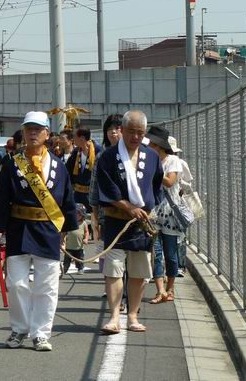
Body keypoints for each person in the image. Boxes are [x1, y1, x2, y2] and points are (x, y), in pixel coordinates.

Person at [0, 111, 78, 351]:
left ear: (47, 133)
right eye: (29, 129)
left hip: (48, 230)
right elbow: (0, 198)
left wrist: (67, 230)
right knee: (17, 283)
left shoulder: (58, 166)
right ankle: (19, 328)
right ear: (23, 132)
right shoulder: (12, 163)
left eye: (38, 129)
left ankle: (41, 334)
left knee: (47, 286)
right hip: (18, 228)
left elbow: (67, 200)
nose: (33, 133)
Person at [96, 110, 163, 335]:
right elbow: (106, 188)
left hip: (141, 224)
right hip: (116, 221)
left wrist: (148, 210)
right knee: (114, 270)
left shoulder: (151, 156)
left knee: (139, 272)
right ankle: (114, 317)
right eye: (131, 131)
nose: (135, 137)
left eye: (140, 133)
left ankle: (133, 315)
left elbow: (157, 186)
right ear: (122, 130)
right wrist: (128, 207)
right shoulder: (108, 156)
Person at [146, 126, 183, 305]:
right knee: (156, 252)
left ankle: (170, 288)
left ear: (158, 146)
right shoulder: (148, 160)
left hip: (169, 212)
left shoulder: (172, 160)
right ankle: (160, 290)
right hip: (153, 211)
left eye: (151, 144)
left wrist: (153, 170)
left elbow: (169, 182)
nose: (148, 146)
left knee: (170, 253)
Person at [89, 114, 124, 301]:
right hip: (106, 214)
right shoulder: (101, 156)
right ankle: (111, 289)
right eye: (109, 129)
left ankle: (126, 294)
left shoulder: (135, 154)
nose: (113, 132)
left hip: (131, 214)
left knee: (129, 256)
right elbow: (94, 186)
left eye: (117, 128)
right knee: (107, 252)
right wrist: (95, 215)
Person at [169, 135, 193, 277]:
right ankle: (173, 267)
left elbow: (188, 183)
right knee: (174, 236)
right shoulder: (159, 161)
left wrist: (179, 185)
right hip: (166, 205)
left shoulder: (180, 163)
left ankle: (180, 265)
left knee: (180, 236)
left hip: (177, 204)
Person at [67, 125, 101, 212]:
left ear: (82, 138)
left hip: (92, 195)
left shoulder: (98, 151)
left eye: (74, 136)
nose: (73, 139)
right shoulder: (76, 151)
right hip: (78, 195)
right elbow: (68, 170)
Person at [61, 204, 89, 276]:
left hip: (79, 247)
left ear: (83, 215)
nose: (77, 215)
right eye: (75, 213)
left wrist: (86, 239)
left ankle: (80, 268)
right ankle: (65, 268)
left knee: (80, 259)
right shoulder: (69, 222)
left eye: (79, 214)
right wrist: (62, 239)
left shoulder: (84, 223)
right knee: (67, 259)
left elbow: (86, 232)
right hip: (69, 247)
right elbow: (64, 232)